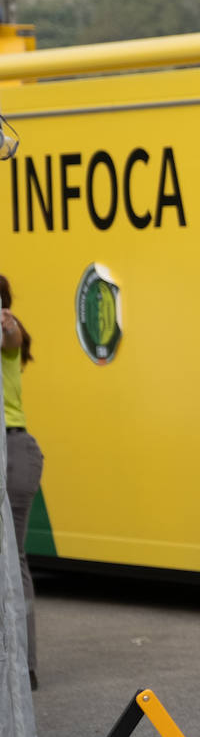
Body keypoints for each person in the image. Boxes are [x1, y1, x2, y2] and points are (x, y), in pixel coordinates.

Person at [1, 275, 41, 691]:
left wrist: (7, 322)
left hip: (13, 453)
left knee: (13, 558)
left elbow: (11, 336)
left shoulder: (8, 332)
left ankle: (24, 663)